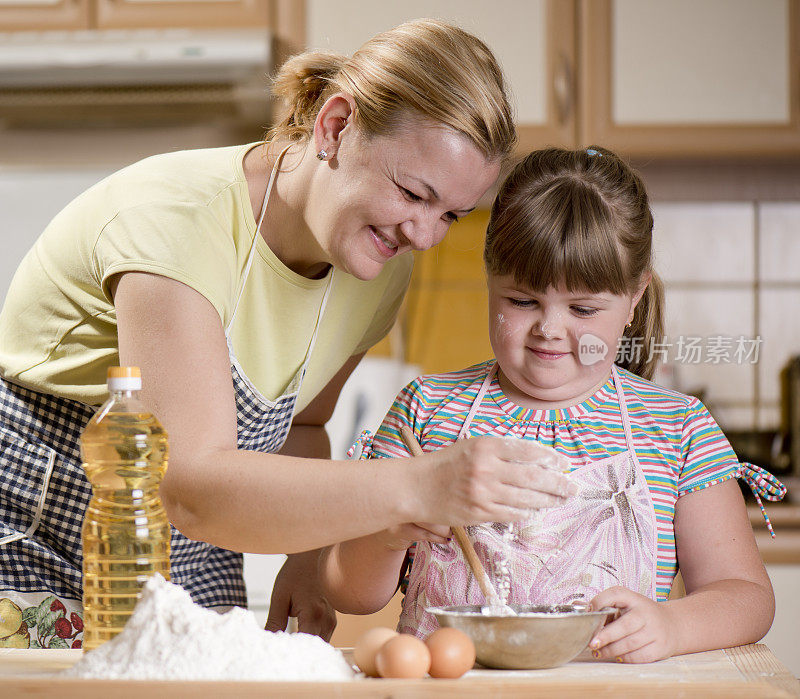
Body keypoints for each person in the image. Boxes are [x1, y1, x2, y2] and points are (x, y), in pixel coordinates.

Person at [0, 19, 579, 648]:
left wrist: (305, 557)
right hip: (36, 555)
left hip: (192, 566)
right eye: (413, 193)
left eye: (450, 214)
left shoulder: (377, 269)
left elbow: (303, 427)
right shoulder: (178, 222)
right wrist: (420, 485)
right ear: (334, 126)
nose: (426, 235)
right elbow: (192, 486)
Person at [319, 146, 787, 663]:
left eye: (583, 308)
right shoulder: (425, 412)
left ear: (634, 298)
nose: (549, 329)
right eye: (522, 301)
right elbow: (348, 591)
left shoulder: (678, 430)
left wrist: (673, 625)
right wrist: (388, 532)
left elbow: (746, 596)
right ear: (489, 281)